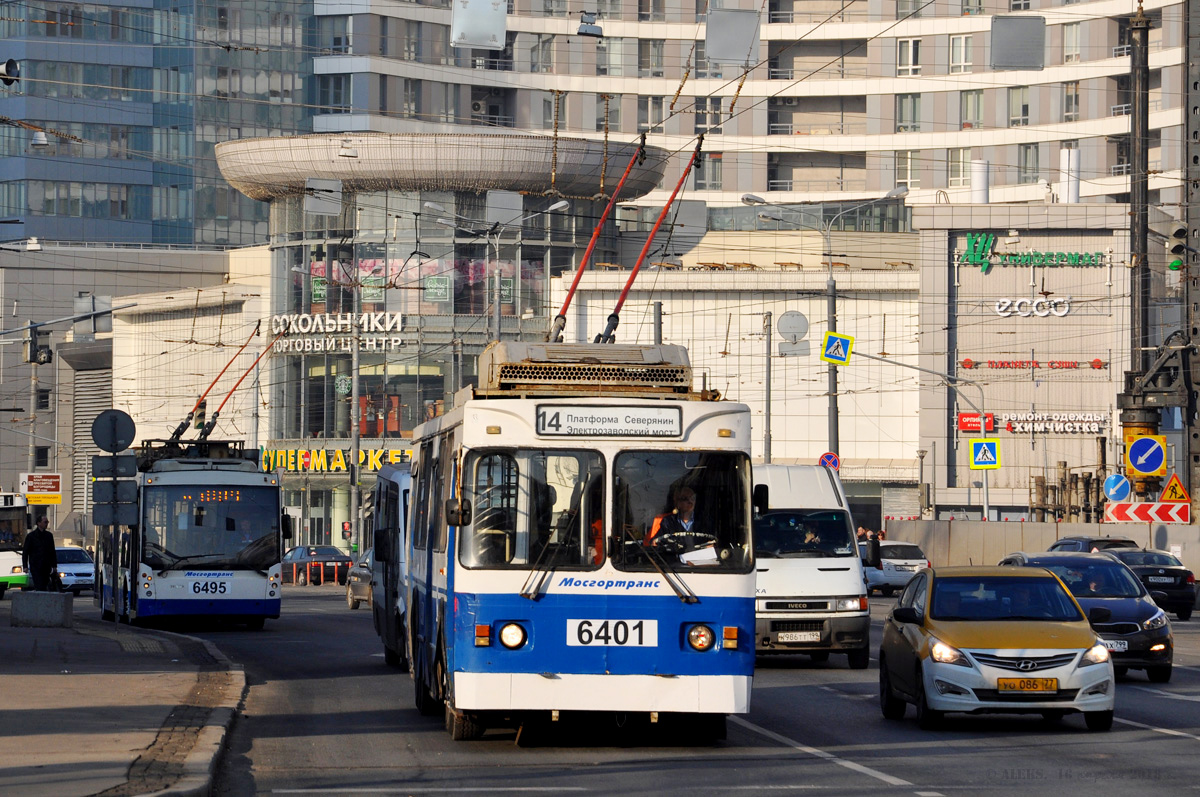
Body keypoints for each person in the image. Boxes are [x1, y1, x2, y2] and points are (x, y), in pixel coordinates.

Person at [646, 487, 715, 556]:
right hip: (676, 563)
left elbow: (715, 540)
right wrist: (655, 542)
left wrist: (712, 545)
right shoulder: (668, 521)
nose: (690, 501)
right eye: (685, 499)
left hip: (701, 562)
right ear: (677, 502)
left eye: (693, 498)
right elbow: (656, 541)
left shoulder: (704, 520)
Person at [22, 516, 57, 591]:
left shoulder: (49, 536)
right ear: (38, 523)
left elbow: (52, 551)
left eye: (47, 522)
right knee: (38, 585)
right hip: (36, 565)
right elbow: (25, 552)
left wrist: (54, 566)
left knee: (45, 584)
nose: (46, 524)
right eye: (45, 522)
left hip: (46, 566)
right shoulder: (31, 536)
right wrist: (25, 566)